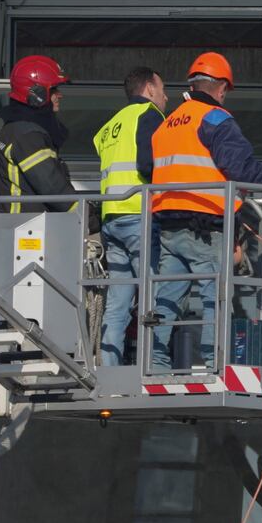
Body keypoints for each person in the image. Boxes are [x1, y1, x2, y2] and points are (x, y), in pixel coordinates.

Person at [150, 51, 262, 369]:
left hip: (169, 223)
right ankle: (215, 362)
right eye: (227, 89)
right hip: (205, 223)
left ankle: (154, 361)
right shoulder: (215, 119)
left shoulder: (168, 123)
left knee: (167, 298)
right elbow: (240, 167)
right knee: (216, 296)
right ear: (221, 86)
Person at [91, 65, 167, 366]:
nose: (165, 98)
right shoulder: (149, 116)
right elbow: (150, 165)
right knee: (153, 294)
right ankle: (153, 366)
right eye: (162, 91)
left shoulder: (110, 125)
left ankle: (109, 367)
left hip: (112, 218)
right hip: (139, 215)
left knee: (118, 301)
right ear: (149, 89)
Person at [0, 55, 78, 215]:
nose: (60, 95)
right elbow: (51, 185)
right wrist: (87, 216)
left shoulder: (16, 128)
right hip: (28, 227)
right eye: (54, 90)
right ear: (38, 94)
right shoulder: (28, 135)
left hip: (23, 226)